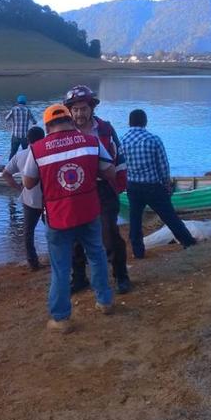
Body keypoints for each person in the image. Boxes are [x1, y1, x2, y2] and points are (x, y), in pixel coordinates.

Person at [22, 104, 119, 333]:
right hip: (89, 211)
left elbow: (28, 183)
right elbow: (110, 171)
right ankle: (105, 302)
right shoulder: (91, 142)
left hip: (58, 217)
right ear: (70, 120)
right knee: (96, 256)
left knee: (60, 268)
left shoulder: (37, 149)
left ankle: (61, 318)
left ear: (47, 126)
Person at [63, 85, 132, 295]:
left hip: (103, 189)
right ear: (69, 110)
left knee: (109, 233)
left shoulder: (105, 130)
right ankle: (80, 278)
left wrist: (119, 185)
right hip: (74, 190)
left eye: (83, 108)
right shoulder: (64, 132)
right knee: (74, 236)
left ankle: (121, 275)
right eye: (74, 109)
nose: (79, 113)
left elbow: (119, 158)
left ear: (91, 108)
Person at [121, 109, 197, 259]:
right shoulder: (153, 139)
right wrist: (167, 185)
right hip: (153, 187)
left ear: (129, 122)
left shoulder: (122, 141)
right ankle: (188, 242)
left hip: (133, 186)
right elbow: (163, 166)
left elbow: (121, 166)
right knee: (170, 217)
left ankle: (138, 252)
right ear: (145, 122)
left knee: (135, 220)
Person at [2, 126, 46, 270]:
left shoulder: (20, 155)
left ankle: (33, 263)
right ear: (44, 138)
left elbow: (6, 174)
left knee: (28, 233)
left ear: (27, 140)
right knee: (57, 230)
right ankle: (63, 255)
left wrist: (19, 188)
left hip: (30, 200)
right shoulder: (48, 152)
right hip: (49, 200)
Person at [5, 94, 37, 159]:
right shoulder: (28, 110)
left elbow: (6, 118)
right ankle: (25, 167)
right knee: (26, 153)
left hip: (15, 135)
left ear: (18, 102)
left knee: (13, 152)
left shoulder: (14, 109)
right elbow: (34, 122)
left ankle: (10, 167)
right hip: (25, 136)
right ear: (25, 102)